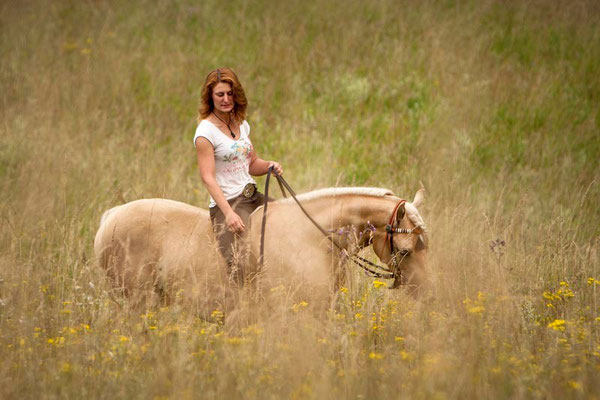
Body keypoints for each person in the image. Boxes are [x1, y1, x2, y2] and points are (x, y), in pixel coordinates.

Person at [194, 68, 283, 285]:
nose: (226, 99)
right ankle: (242, 307)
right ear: (210, 97)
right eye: (220, 94)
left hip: (252, 196)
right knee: (241, 262)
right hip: (229, 203)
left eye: (230, 93)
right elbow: (208, 177)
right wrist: (228, 214)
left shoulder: (241, 124)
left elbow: (252, 163)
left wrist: (270, 165)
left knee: (289, 223)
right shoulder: (205, 132)